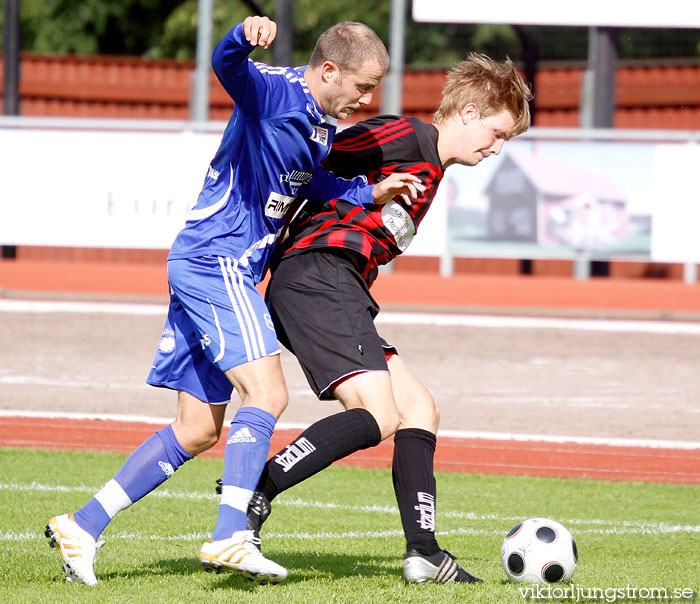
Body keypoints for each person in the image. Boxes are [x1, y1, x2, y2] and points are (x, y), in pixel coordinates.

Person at [44, 15, 419, 587]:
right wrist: (241, 36)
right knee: (266, 391)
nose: (367, 100)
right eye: (363, 87)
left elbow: (309, 183)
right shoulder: (273, 91)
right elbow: (226, 67)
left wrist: (368, 191)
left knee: (196, 429)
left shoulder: (317, 121)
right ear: (328, 70)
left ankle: (82, 525)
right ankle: (230, 536)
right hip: (217, 261)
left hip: (211, 266)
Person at [242, 52, 532, 584]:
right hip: (318, 274)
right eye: (496, 133)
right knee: (378, 415)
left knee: (418, 408)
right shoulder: (404, 136)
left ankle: (423, 553)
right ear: (468, 112)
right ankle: (252, 491)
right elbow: (313, 155)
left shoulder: (433, 166)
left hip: (337, 286)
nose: (496, 148)